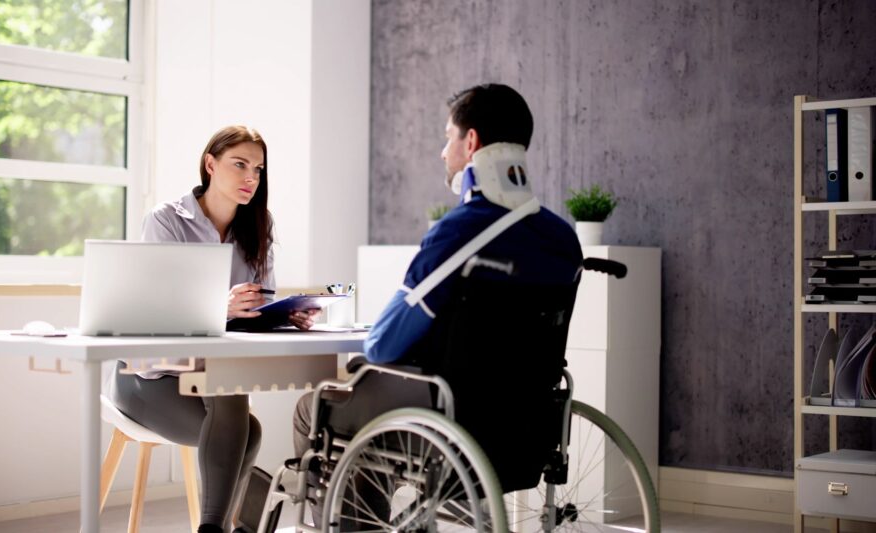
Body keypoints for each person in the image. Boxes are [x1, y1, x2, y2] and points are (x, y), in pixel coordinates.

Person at [291, 83, 584, 524]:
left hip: (447, 417)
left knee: (317, 406)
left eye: (448, 137)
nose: (442, 151)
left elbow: (381, 348)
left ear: (471, 143)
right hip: (524, 427)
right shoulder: (563, 241)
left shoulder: (459, 233)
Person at [110, 125, 317, 533]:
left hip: (208, 376)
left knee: (234, 399)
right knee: (245, 423)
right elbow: (151, 310)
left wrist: (282, 313)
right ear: (210, 164)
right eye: (239, 165)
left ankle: (214, 529)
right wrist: (218, 307)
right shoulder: (167, 221)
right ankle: (220, 528)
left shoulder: (258, 225)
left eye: (257, 169)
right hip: (147, 376)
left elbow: (255, 305)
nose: (250, 178)